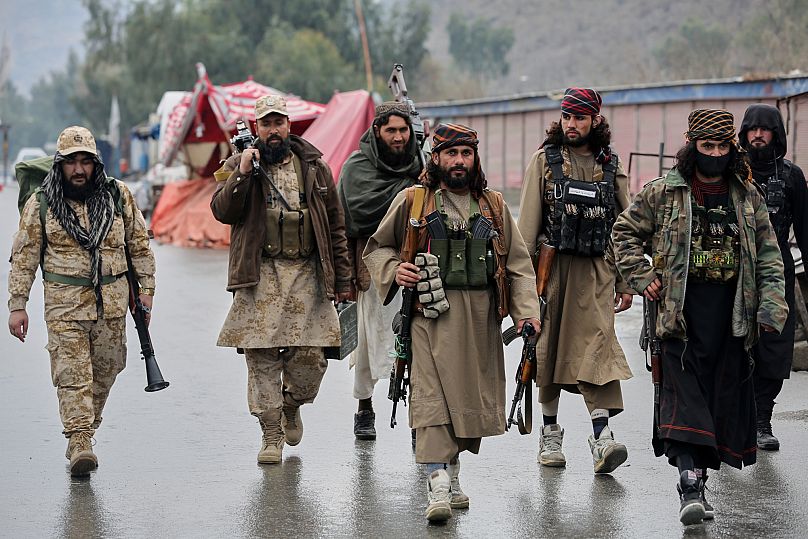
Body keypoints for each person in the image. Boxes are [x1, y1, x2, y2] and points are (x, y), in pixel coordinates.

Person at [612, 109, 787, 525]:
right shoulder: (663, 193)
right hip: (678, 317)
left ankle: (700, 483)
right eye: (706, 146)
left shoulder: (748, 196)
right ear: (691, 146)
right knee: (685, 402)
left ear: (732, 149)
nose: (714, 154)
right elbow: (624, 233)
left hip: (731, 318)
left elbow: (769, 255)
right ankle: (689, 486)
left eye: (722, 147)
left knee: (715, 404)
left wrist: (770, 307)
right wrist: (642, 276)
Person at [363, 123, 540, 523]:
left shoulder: (493, 205)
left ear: (474, 159)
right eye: (451, 154)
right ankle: (437, 482)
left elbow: (518, 265)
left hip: (480, 322)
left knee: (468, 402)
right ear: (437, 158)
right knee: (430, 398)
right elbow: (377, 248)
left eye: (466, 154)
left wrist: (527, 313)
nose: (459, 161)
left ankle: (451, 469)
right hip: (428, 318)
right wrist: (396, 270)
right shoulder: (414, 201)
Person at [211, 95, 353, 464]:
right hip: (261, 275)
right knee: (261, 360)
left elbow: (336, 225)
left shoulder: (316, 167)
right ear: (256, 128)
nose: (273, 131)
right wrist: (243, 171)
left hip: (308, 273)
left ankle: (292, 404)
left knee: (311, 361)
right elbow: (222, 211)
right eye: (266, 124)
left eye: (279, 123)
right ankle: (270, 432)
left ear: (289, 125)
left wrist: (342, 278)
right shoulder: (239, 163)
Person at [7, 126, 156, 477]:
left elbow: (139, 245)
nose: (78, 169)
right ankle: (79, 440)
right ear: (59, 165)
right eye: (71, 162)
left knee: (106, 371)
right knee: (72, 376)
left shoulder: (118, 196)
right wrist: (17, 305)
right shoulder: (42, 202)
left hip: (112, 305)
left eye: (85, 162)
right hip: (65, 307)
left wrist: (147, 291)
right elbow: (24, 256)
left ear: (96, 164)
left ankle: (85, 428)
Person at [518, 87, 633, 474]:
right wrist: (521, 288)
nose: (572, 124)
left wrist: (626, 280)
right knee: (545, 350)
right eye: (567, 117)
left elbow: (626, 226)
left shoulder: (611, 165)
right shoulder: (544, 162)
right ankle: (550, 433)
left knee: (598, 347)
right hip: (552, 273)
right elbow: (527, 229)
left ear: (594, 120)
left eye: (580, 118)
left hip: (598, 272)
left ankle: (601, 437)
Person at [338, 101, 422, 440]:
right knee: (370, 343)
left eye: (403, 130)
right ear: (377, 131)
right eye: (391, 130)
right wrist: (405, 194)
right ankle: (364, 408)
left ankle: (421, 415)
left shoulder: (423, 165)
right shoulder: (357, 168)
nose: (399, 137)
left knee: (419, 344)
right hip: (372, 268)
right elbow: (355, 214)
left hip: (416, 265)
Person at [738, 104, 808, 451]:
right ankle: (738, 417)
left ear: (776, 133)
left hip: (777, 271)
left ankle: (762, 420)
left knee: (775, 348)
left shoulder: (792, 176)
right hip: (735, 270)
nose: (758, 135)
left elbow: (805, 230)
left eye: (765, 129)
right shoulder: (731, 172)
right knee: (736, 345)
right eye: (752, 129)